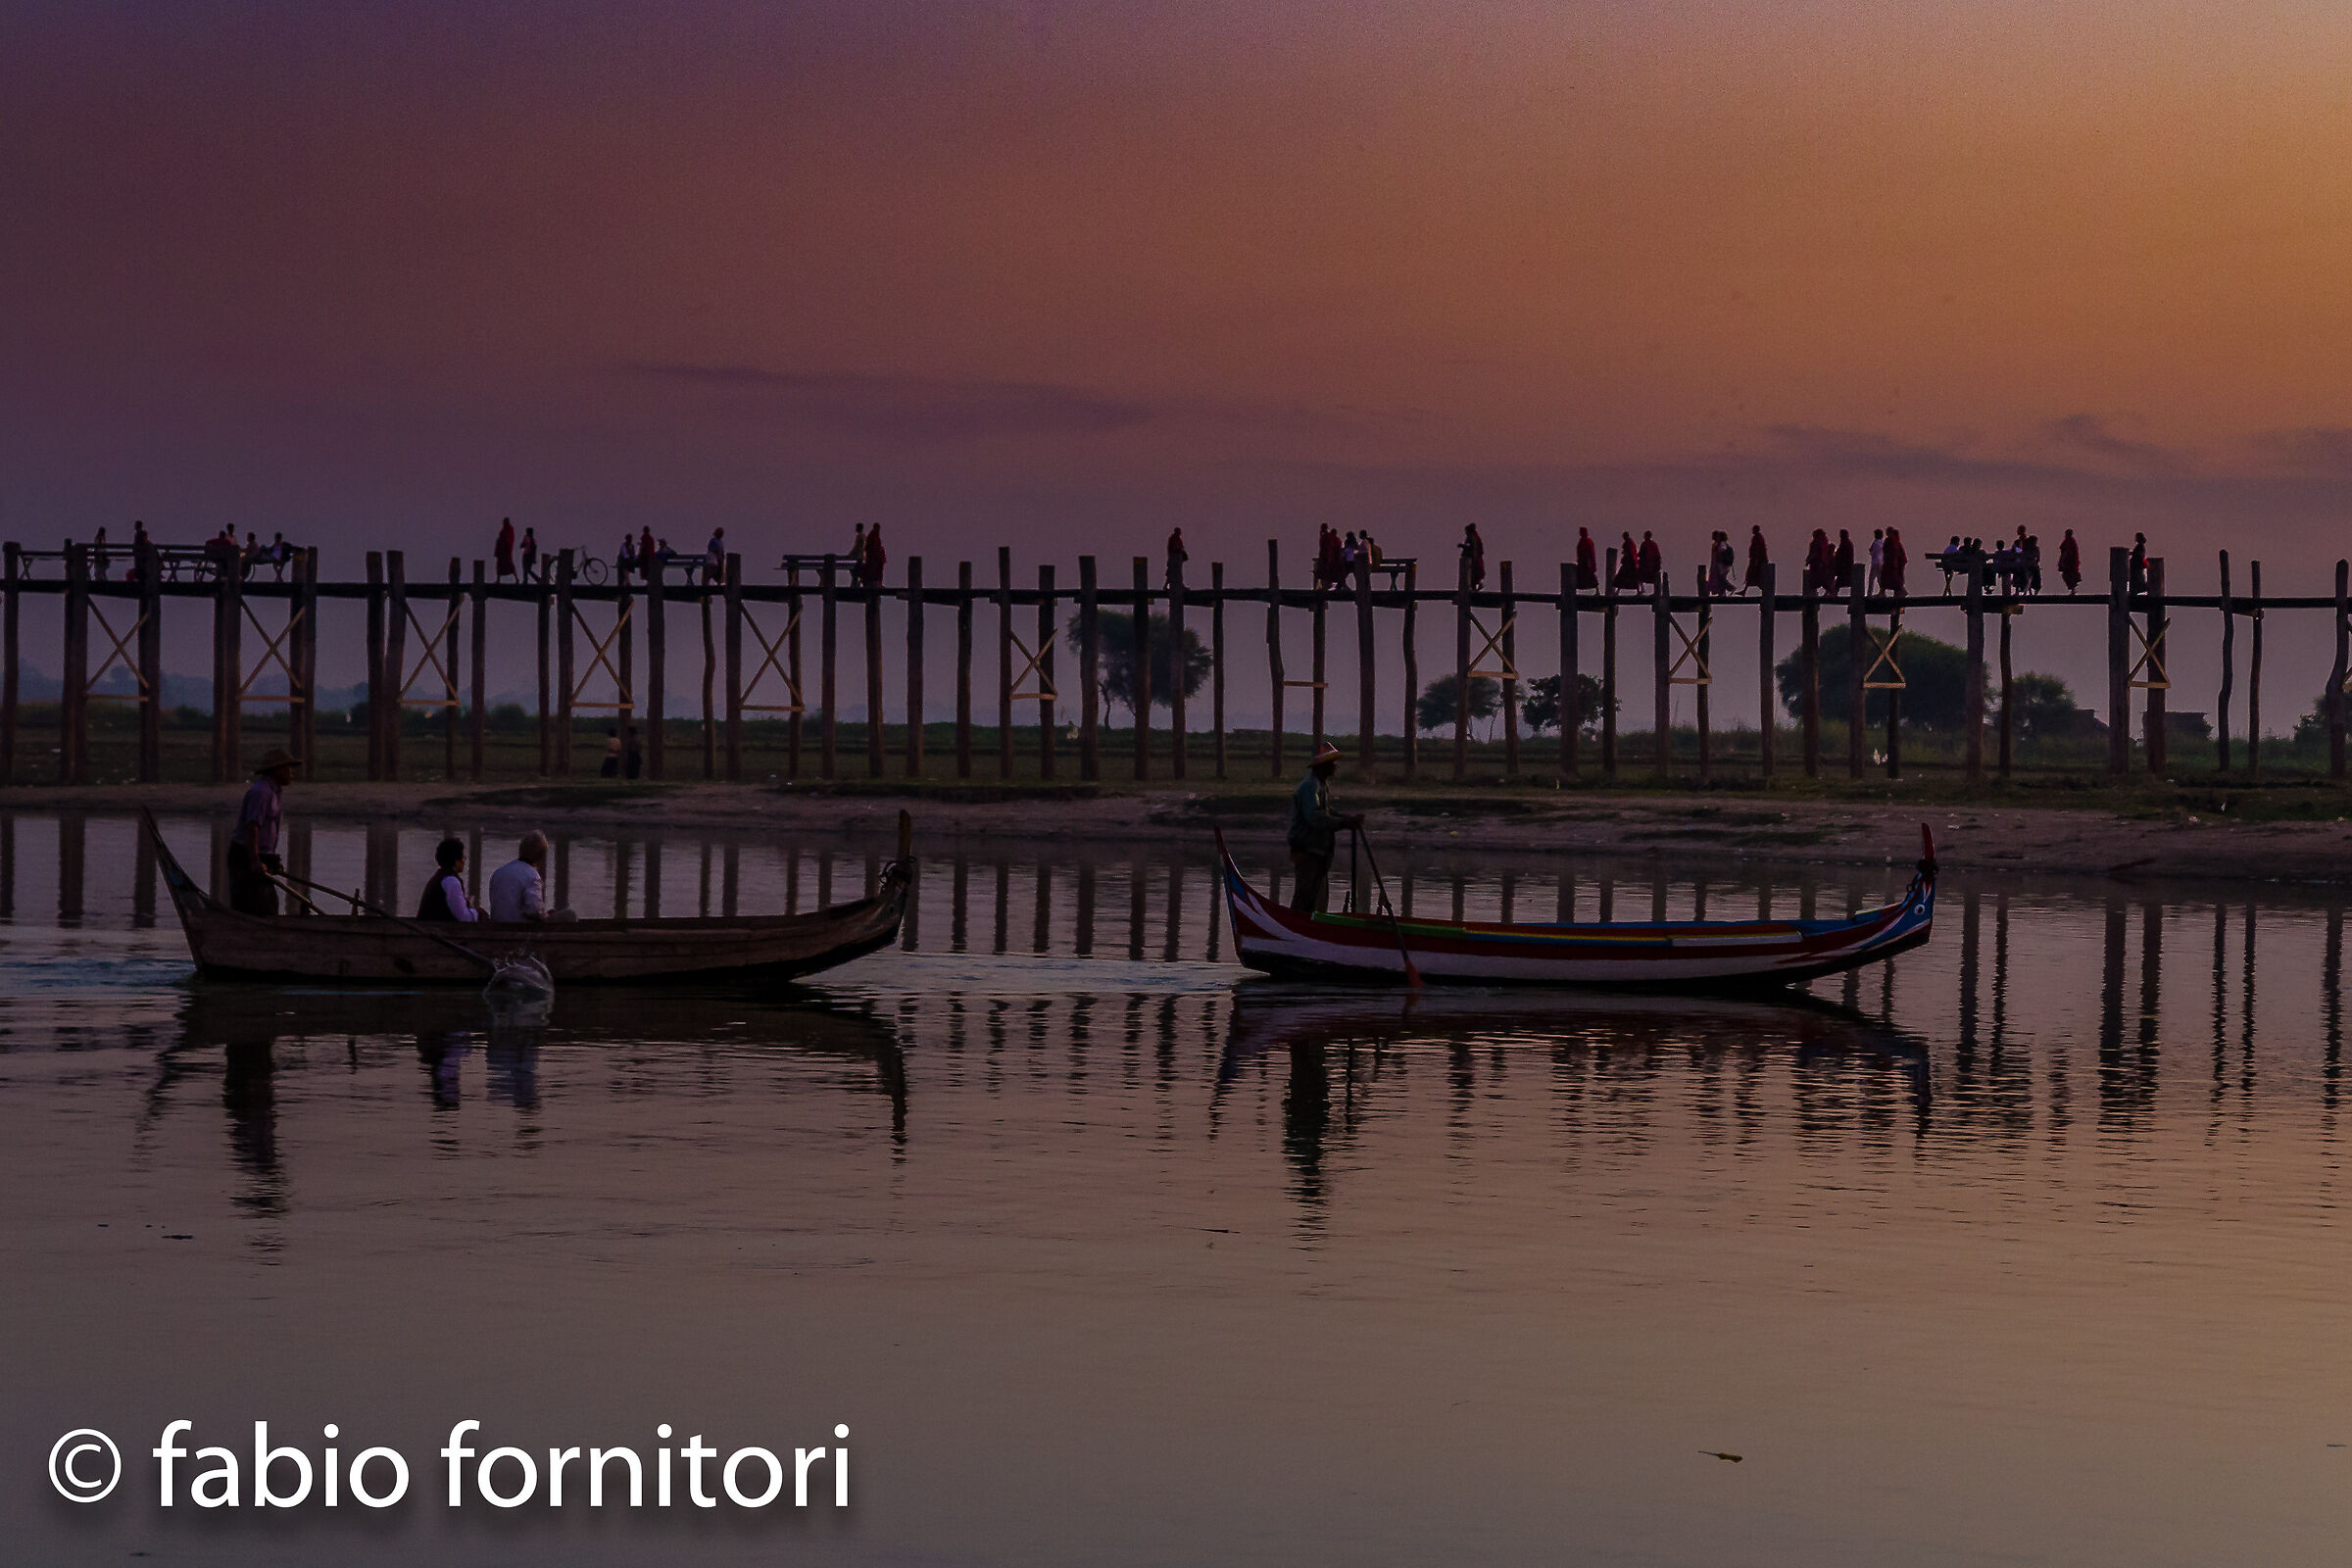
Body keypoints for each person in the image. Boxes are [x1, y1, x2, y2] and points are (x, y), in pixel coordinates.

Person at [1287, 742, 1361, 913]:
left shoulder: (1320, 785)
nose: (1336, 766)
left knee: (1317, 897)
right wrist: (1343, 823)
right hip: (1307, 850)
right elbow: (1315, 817)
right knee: (1305, 896)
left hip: (1319, 851)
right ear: (1323, 766)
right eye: (1333, 763)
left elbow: (1325, 811)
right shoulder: (1309, 786)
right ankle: (1298, 928)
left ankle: (1311, 927)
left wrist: (1346, 819)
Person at [226, 747, 297, 916]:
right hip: (245, 857)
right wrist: (254, 860)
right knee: (252, 907)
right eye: (288, 769)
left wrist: (271, 860)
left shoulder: (274, 792)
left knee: (268, 906)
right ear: (277, 771)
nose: (291, 773)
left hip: (258, 857)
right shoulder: (262, 792)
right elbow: (253, 827)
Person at [488, 831, 577, 922]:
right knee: (570, 914)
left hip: (498, 925)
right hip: (522, 928)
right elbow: (534, 911)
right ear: (541, 856)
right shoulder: (532, 876)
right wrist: (544, 915)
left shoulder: (499, 872)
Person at [416, 838, 482, 922]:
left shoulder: (439, 877)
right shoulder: (451, 881)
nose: (464, 861)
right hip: (437, 931)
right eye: (462, 857)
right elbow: (464, 917)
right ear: (456, 861)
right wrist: (477, 913)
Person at [1743, 525, 1769, 595]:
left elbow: (1758, 550)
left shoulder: (1758, 538)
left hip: (1757, 561)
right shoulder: (1756, 537)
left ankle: (1766, 591)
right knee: (1751, 576)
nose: (1752, 531)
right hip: (1755, 560)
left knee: (1756, 576)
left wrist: (1756, 561)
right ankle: (1744, 591)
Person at [1883, 527, 1907, 599]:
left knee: (1891, 578)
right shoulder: (1896, 542)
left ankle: (1901, 590)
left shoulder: (1891, 541)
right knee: (1894, 578)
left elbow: (1891, 552)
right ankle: (1899, 591)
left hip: (1892, 563)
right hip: (1895, 563)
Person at [1831, 529, 1855, 598]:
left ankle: (1834, 593)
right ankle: (1834, 593)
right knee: (1841, 581)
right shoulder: (1847, 543)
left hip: (1844, 566)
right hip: (1845, 566)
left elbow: (1842, 554)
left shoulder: (1845, 543)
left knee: (1840, 581)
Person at [1461, 523, 1487, 591]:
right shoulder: (1475, 537)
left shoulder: (1472, 537)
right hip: (1474, 559)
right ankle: (1474, 587)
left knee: (1474, 575)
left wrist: (1462, 546)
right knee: (1474, 575)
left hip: (1474, 560)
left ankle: (1474, 588)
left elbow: (1472, 548)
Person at [2058, 528, 2082, 594]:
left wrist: (2062, 561)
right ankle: (2073, 590)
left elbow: (2067, 552)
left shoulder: (2069, 541)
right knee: (2069, 575)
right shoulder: (2070, 541)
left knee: (2068, 575)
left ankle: (2073, 590)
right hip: (2071, 562)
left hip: (2069, 562)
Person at [1576, 526, 1599, 591]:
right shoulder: (1582, 541)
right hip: (1582, 562)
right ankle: (1575, 590)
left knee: (1590, 576)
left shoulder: (1587, 541)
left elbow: (1590, 552)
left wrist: (1589, 562)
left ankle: (1597, 590)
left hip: (1586, 562)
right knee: (1580, 575)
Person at [1637, 530, 1660, 594]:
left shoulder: (1644, 544)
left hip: (1646, 565)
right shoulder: (1654, 544)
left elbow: (1641, 554)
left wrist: (1635, 555)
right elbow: (1658, 556)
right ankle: (1655, 592)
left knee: (1638, 575)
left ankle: (1641, 590)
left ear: (1646, 536)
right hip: (1653, 565)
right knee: (1654, 578)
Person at [495, 517, 516, 581]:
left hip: (505, 551)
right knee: (499, 566)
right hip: (501, 551)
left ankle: (516, 578)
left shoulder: (509, 529)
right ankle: (498, 579)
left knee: (509, 565)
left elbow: (508, 539)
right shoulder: (505, 529)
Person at [1867, 528, 1885, 597]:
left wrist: (1871, 551)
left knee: (1871, 578)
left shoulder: (1876, 543)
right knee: (1879, 579)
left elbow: (1873, 553)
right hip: (1881, 562)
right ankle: (1882, 592)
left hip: (1875, 563)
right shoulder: (1883, 543)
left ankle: (1869, 594)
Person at [2129, 532, 2148, 596]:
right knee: (2137, 580)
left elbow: (2138, 555)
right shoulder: (2140, 546)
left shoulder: (2140, 547)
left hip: (2136, 567)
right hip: (2137, 567)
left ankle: (2138, 590)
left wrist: (2131, 553)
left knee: (2137, 580)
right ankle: (2135, 591)